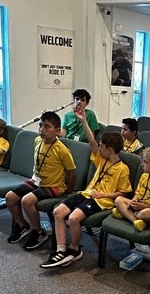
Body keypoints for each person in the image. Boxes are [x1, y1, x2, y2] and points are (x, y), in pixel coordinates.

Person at [40, 111, 131, 268]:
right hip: (87, 194)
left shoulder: (123, 169)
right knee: (58, 212)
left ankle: (74, 249)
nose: (99, 148)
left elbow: (123, 193)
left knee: (74, 218)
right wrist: (83, 121)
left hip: (102, 201)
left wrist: (103, 194)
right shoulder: (102, 159)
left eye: (102, 146)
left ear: (110, 150)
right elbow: (92, 142)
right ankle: (60, 250)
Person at [6, 111, 76, 250]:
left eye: (47, 126)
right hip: (36, 181)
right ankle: (22, 225)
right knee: (10, 197)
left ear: (57, 131)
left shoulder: (62, 150)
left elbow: (72, 171)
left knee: (27, 201)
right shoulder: (37, 140)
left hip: (54, 185)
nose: (42, 129)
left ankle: (39, 231)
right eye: (40, 125)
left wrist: (68, 190)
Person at [113, 146, 150, 231]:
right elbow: (138, 193)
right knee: (118, 200)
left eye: (145, 162)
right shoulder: (144, 176)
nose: (142, 164)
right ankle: (136, 221)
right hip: (139, 205)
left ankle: (127, 214)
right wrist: (134, 200)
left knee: (146, 213)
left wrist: (144, 206)